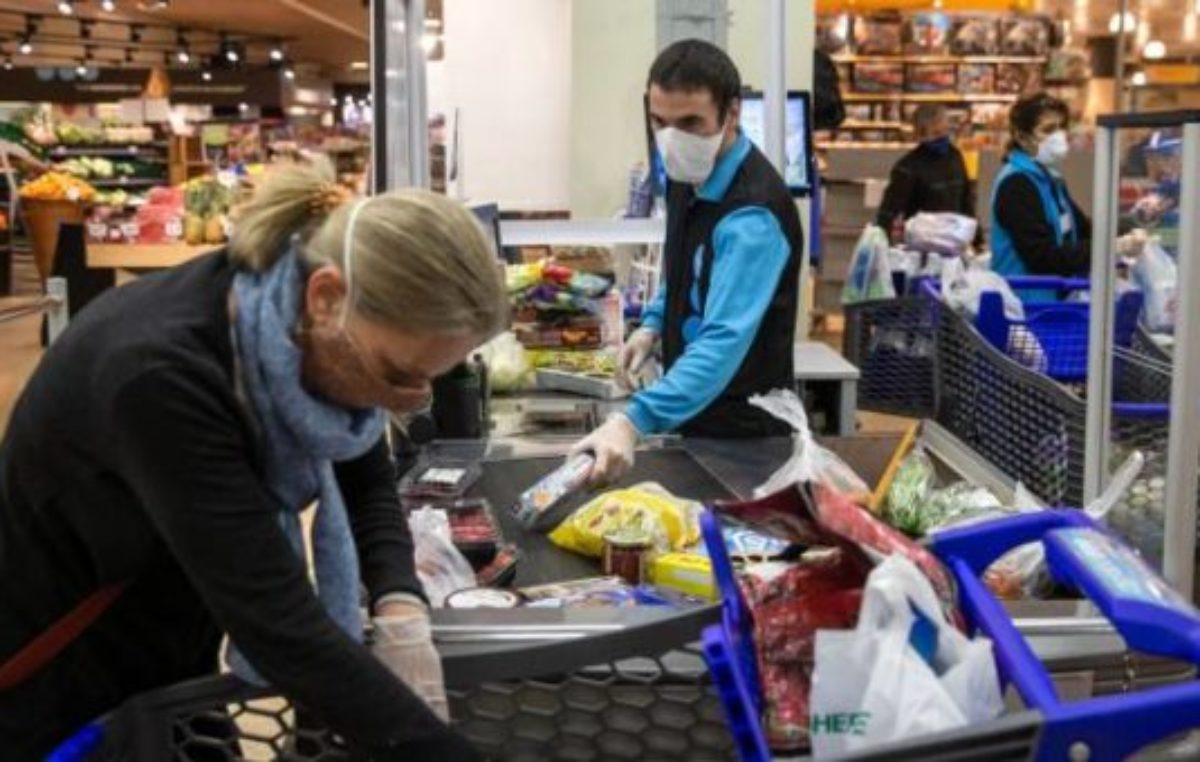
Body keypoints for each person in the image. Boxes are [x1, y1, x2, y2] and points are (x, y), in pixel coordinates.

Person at [0, 160, 507, 759]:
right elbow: (278, 626)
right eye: (399, 373)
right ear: (326, 298)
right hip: (60, 674)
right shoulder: (162, 378)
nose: (411, 400)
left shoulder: (294, 314)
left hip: (173, 632)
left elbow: (363, 476)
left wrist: (399, 603)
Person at [574, 39, 804, 483]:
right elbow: (686, 267)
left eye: (691, 122)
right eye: (660, 122)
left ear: (731, 113)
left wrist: (632, 420)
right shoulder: (688, 174)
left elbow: (721, 343)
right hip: (695, 421)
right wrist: (654, 324)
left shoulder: (752, 217)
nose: (673, 139)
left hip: (743, 439)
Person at [990, 92, 1092, 278]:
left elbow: (1082, 228)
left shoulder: (1050, 179)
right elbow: (1042, 258)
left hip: (1053, 298)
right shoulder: (1016, 184)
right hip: (1026, 300)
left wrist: (1117, 235)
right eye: (1048, 130)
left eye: (1062, 127)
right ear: (1022, 137)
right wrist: (1104, 249)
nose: (1059, 136)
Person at [875, 104, 976, 241]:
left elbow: (966, 200)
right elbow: (889, 211)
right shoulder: (908, 167)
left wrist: (977, 239)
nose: (943, 137)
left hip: (954, 241)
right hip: (921, 245)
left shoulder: (955, 156)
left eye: (944, 131)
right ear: (921, 134)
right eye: (936, 133)